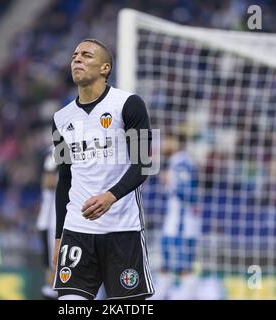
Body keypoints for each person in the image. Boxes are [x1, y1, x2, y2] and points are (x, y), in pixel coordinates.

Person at [51, 39, 154, 300]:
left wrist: (111, 196)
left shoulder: (129, 104)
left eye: (86, 55)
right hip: (77, 230)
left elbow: (144, 164)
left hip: (123, 229)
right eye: (74, 55)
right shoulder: (61, 118)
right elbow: (64, 179)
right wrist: (58, 235)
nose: (77, 59)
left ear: (105, 68)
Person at [152, 131, 201, 300]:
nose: (164, 144)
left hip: (182, 225)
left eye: (167, 140)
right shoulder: (176, 162)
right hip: (172, 223)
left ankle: (189, 295)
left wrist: (170, 183)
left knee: (183, 266)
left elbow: (189, 194)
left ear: (176, 142)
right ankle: (160, 295)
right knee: (165, 264)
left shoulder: (183, 163)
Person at [36, 147, 58, 300]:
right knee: (52, 269)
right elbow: (48, 181)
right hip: (51, 220)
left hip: (55, 219)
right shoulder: (55, 151)